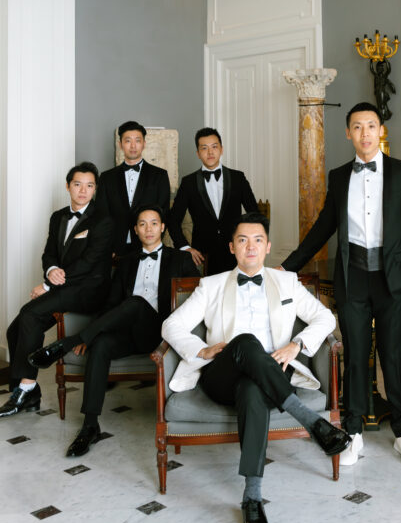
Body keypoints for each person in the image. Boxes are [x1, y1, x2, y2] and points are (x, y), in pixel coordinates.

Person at [162, 213, 349, 523]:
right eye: (243, 240)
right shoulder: (211, 285)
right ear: (232, 247)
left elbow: (324, 317)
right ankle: (311, 421)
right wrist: (202, 349)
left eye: (258, 240)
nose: (251, 246)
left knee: (252, 388)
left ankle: (252, 498)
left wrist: (297, 345)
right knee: (246, 342)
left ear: (268, 246)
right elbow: (171, 326)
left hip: (270, 373)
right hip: (221, 375)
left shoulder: (287, 282)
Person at [282, 102, 401, 468]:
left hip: (393, 279)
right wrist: (287, 267)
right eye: (357, 127)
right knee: (355, 356)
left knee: (394, 356)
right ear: (348, 133)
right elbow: (323, 227)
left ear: (380, 130)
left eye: (371, 126)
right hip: (354, 278)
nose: (365, 133)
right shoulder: (338, 177)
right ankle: (353, 431)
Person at [28, 206, 194, 456]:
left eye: (153, 223)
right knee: (102, 345)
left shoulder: (181, 259)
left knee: (136, 303)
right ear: (135, 230)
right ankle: (90, 425)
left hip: (160, 335)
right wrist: (93, 335)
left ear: (162, 227)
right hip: (128, 333)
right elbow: (110, 304)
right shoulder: (126, 263)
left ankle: (67, 342)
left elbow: (193, 302)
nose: (148, 229)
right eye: (142, 224)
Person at [0, 163, 113, 418]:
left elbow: (88, 263)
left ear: (95, 189)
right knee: (15, 329)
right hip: (65, 286)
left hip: (89, 290)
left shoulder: (103, 220)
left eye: (89, 186)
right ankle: (26, 393)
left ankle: (25, 388)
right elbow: (49, 252)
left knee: (29, 314)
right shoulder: (58, 216)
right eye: (77, 184)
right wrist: (50, 269)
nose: (83, 191)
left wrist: (48, 285)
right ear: (68, 186)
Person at [168, 127, 258, 275]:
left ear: (221, 149)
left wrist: (250, 244)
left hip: (236, 252)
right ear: (198, 153)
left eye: (214, 147)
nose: (210, 152)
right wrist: (185, 247)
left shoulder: (238, 178)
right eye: (204, 148)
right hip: (202, 256)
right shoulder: (188, 182)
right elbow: (173, 220)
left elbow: (255, 215)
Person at [96, 121, 170, 255]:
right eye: (128, 141)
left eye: (137, 140)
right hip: (115, 248)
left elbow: (163, 213)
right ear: (120, 144)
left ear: (144, 144)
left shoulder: (160, 175)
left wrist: (153, 245)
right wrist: (107, 247)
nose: (133, 146)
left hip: (148, 245)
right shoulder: (106, 177)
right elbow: (102, 215)